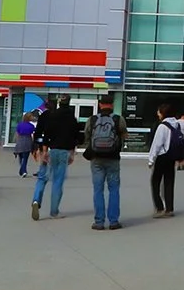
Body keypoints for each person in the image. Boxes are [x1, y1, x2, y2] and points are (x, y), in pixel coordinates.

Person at [33, 98, 81, 221]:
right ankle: (54, 211)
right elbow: (75, 136)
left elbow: (40, 134)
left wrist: (41, 149)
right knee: (57, 181)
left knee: (42, 178)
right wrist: (72, 152)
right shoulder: (69, 118)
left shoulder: (45, 116)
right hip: (62, 151)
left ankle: (36, 200)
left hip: (47, 149)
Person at [82, 99, 125, 230]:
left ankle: (99, 222)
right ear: (112, 105)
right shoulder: (118, 119)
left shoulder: (92, 119)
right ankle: (113, 221)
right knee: (114, 190)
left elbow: (87, 136)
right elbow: (123, 135)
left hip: (96, 159)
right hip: (113, 158)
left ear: (100, 105)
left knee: (98, 190)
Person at [148, 105, 184, 217]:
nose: (158, 114)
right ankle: (169, 209)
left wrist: (151, 159)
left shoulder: (162, 126)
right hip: (172, 156)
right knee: (169, 182)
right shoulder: (177, 124)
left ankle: (159, 207)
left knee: (155, 181)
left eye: (159, 112)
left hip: (162, 156)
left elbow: (157, 144)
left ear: (163, 113)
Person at [13, 110, 37, 178]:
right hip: (27, 140)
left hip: (20, 140)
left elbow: (17, 134)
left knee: (20, 157)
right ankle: (23, 171)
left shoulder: (19, 124)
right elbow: (33, 134)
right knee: (25, 157)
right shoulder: (31, 126)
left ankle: (22, 169)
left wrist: (16, 141)